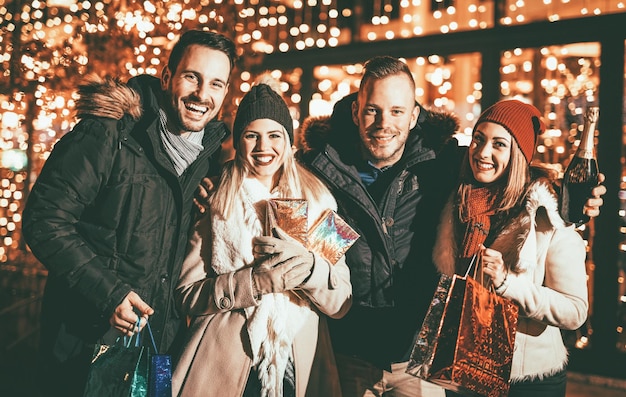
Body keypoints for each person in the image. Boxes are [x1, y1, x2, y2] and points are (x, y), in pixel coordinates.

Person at [297, 55, 605, 396]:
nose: (384, 123)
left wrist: (566, 197)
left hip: (420, 359)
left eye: (397, 111)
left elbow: (505, 175)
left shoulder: (439, 162)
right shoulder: (321, 173)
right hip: (349, 352)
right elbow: (316, 248)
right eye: (373, 110)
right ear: (356, 111)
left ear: (414, 115)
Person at [22, 29, 237, 397]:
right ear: (167, 77)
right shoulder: (110, 134)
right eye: (192, 77)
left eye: (216, 83)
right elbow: (45, 219)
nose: (203, 95)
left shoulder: (210, 161)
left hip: (158, 348)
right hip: (85, 342)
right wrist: (109, 294)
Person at [172, 82, 353, 397]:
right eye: (251, 135)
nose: (262, 147)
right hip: (226, 363)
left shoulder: (320, 198)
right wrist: (253, 284)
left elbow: (342, 301)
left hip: (299, 364)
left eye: (274, 135)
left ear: (288, 140)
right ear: (239, 140)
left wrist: (310, 270)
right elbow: (186, 294)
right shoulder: (214, 198)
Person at [433, 99, 589, 397]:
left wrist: (508, 283)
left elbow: (575, 311)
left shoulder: (549, 217)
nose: (482, 152)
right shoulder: (459, 201)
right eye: (478, 139)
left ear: (518, 154)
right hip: (464, 367)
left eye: (499, 144)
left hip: (525, 381)